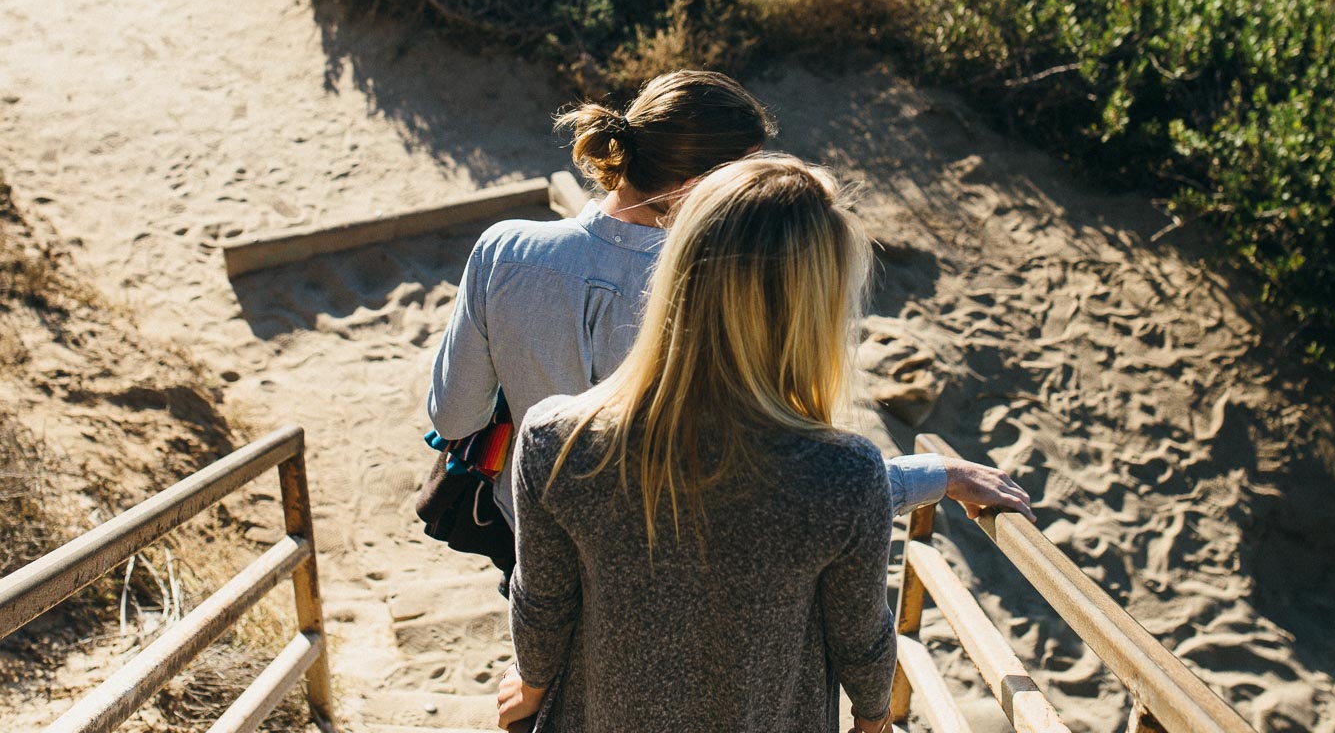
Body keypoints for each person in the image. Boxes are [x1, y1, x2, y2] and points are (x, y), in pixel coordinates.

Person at [425, 70, 1034, 541]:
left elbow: (453, 420)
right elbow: (786, 477)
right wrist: (938, 476)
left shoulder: (504, 250)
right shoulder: (723, 289)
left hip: (531, 540)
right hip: (668, 560)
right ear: (698, 186)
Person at [498, 156, 899, 732]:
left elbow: (542, 605)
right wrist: (874, 716)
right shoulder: (846, 474)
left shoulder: (558, 442)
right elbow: (861, 635)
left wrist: (531, 685)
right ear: (815, 310)